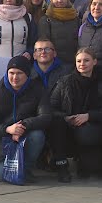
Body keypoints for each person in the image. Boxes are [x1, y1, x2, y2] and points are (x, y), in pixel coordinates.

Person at [0, 55, 51, 184]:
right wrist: (8, 129)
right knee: (4, 174)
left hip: (26, 134)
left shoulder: (38, 90)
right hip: (2, 138)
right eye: (11, 73)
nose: (15, 77)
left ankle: (26, 168)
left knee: (38, 135)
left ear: (27, 74)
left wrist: (22, 126)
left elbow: (45, 117)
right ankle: (19, 171)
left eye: (19, 73)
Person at [49, 47, 102, 181]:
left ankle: (85, 159)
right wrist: (66, 118)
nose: (82, 64)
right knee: (57, 122)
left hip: (91, 129)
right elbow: (51, 107)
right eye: (79, 61)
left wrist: (88, 116)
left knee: (93, 169)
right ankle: (62, 166)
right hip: (67, 127)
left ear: (94, 62)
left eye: (86, 60)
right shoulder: (64, 81)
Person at [30, 38, 70, 171]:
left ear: (55, 53)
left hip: (59, 115)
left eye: (48, 49)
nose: (43, 52)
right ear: (34, 55)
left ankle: (60, 161)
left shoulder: (67, 73)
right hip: (35, 115)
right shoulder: (27, 74)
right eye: (39, 50)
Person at [37, 0, 80, 71]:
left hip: (73, 64)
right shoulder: (46, 20)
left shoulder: (75, 18)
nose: (60, 0)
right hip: (53, 65)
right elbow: (44, 44)